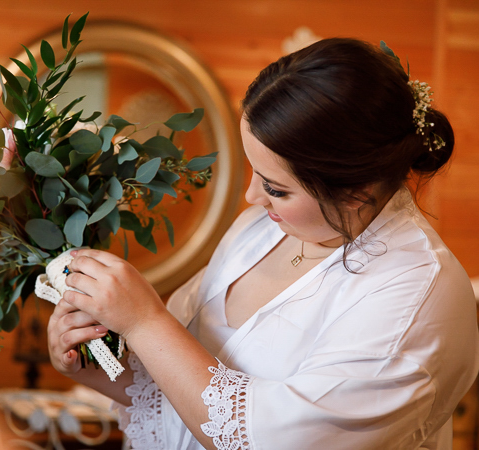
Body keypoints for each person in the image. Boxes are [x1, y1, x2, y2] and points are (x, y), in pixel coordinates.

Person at [49, 38, 479, 450]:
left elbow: (275, 440)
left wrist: (145, 321)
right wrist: (97, 359)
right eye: (254, 172)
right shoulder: (258, 230)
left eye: (275, 187)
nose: (252, 197)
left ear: (356, 190)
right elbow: (185, 392)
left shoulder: (415, 292)